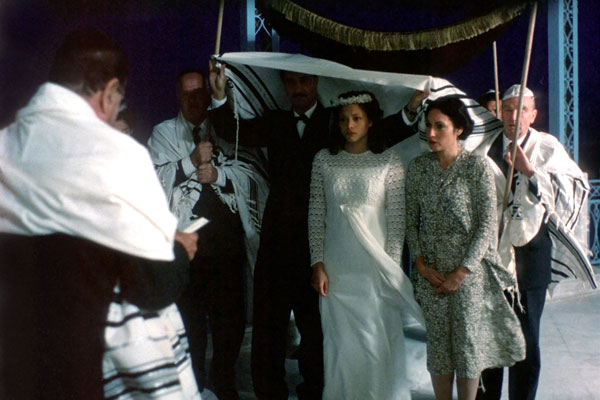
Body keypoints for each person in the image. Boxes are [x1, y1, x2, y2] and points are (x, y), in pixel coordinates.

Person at [0, 29, 198, 400]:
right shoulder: (120, 156)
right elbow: (153, 288)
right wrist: (179, 251)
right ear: (109, 93)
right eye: (119, 103)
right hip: (85, 373)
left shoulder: (5, 145)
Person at [209, 61, 419, 399]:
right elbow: (235, 132)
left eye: (304, 80)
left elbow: (377, 132)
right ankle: (270, 394)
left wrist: (410, 110)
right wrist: (219, 95)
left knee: (317, 329)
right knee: (268, 326)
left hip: (322, 246)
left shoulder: (336, 120)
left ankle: (315, 392)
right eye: (291, 82)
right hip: (277, 241)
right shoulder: (275, 121)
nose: (298, 88)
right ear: (284, 86)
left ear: (316, 81)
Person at [147, 68, 268, 400]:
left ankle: (223, 383)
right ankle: (195, 388)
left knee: (230, 323)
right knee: (191, 326)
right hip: (186, 250)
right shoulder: (163, 134)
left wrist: (219, 175)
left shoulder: (226, 128)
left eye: (199, 92)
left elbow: (254, 172)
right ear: (178, 97)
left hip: (226, 247)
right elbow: (151, 182)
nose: (193, 100)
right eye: (186, 94)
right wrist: (189, 161)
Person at [405, 97, 525, 400]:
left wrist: (462, 272)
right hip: (431, 275)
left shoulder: (476, 167)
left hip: (468, 276)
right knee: (438, 348)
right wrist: (420, 264)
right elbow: (410, 222)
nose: (431, 133)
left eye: (440, 126)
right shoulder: (418, 169)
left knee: (468, 346)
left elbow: (487, 225)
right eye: (428, 126)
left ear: (458, 129)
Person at [475, 85, 590, 400]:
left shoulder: (547, 147)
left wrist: (529, 171)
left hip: (531, 257)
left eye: (521, 110)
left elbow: (570, 191)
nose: (514, 116)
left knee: (526, 338)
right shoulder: (486, 145)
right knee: (490, 334)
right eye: (508, 109)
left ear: (533, 114)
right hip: (491, 256)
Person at [308, 91, 424, 399]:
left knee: (375, 344)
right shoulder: (324, 160)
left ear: (370, 121)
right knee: (341, 347)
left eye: (357, 118)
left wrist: (391, 269)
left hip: (375, 269)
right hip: (336, 270)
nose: (349, 125)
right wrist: (317, 263)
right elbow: (316, 214)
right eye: (344, 119)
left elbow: (397, 221)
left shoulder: (390, 162)